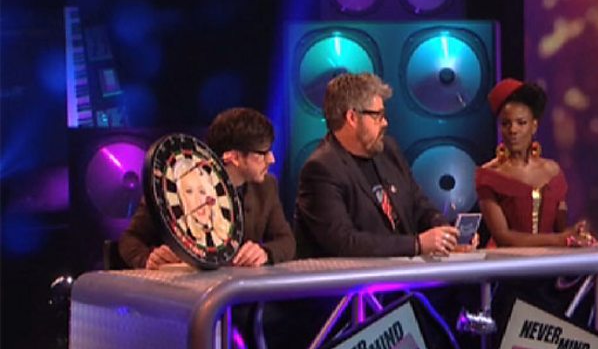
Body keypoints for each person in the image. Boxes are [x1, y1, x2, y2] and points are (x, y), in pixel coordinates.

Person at [294, 72, 460, 258]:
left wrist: (444, 232)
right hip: (356, 275)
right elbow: (344, 242)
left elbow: (418, 204)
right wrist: (417, 244)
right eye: (377, 116)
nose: (385, 123)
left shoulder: (388, 150)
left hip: (404, 270)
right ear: (352, 117)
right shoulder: (321, 170)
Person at [118, 107, 295, 268]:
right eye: (262, 154)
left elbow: (286, 241)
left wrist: (265, 252)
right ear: (234, 157)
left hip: (241, 289)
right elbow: (129, 239)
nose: (271, 159)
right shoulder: (176, 183)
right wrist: (148, 259)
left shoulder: (266, 186)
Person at [475, 78, 594, 247]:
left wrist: (576, 233)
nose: (513, 130)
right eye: (506, 123)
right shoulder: (489, 176)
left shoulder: (553, 172)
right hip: (505, 260)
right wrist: (560, 239)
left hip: (549, 260)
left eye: (521, 123)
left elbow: (561, 229)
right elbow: (502, 236)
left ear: (534, 126)